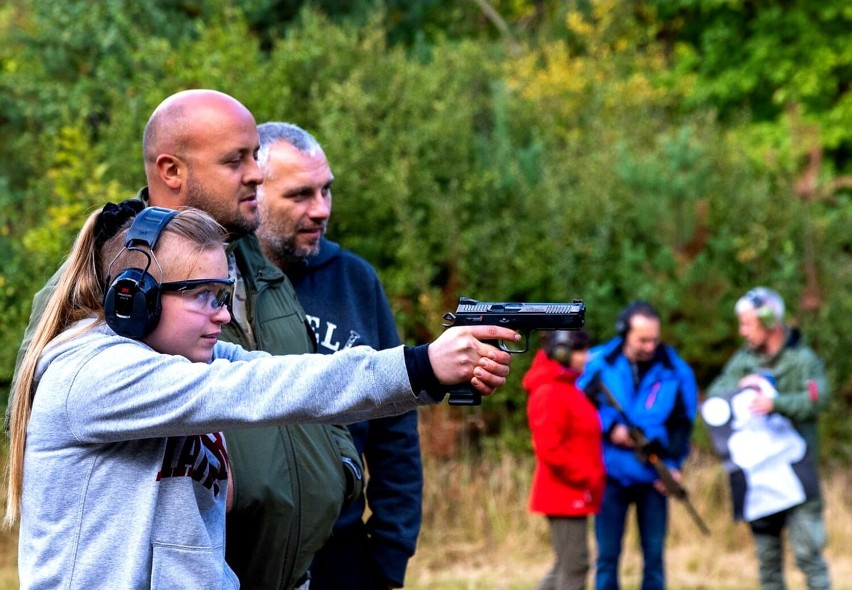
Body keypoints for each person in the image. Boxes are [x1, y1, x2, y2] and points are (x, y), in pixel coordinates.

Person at [4, 203, 516, 588]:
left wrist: (428, 376)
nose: (223, 316)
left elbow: (299, 378)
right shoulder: (93, 375)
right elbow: (256, 390)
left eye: (225, 297)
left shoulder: (182, 362)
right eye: (206, 296)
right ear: (135, 297)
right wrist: (423, 364)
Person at [254, 122, 422, 590]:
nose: (321, 210)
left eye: (326, 191)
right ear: (254, 191)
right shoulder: (218, 283)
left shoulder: (355, 280)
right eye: (300, 195)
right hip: (247, 552)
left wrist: (390, 552)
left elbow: (396, 429)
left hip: (344, 554)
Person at [706, 287, 831, 590]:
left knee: (808, 556)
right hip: (760, 480)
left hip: (796, 478)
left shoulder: (803, 360)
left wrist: (776, 403)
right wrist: (740, 386)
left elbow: (818, 399)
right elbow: (715, 398)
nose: (742, 331)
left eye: (747, 324)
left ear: (769, 321)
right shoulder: (743, 361)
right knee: (768, 562)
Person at [576, 301, 697, 590]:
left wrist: (674, 467)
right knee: (606, 556)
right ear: (624, 333)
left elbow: (683, 423)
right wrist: (610, 428)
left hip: (653, 477)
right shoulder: (598, 362)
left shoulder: (675, 370)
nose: (650, 345)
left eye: (654, 338)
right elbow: (577, 407)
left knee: (654, 556)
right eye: (642, 339)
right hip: (610, 476)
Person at [522, 329, 604, 590]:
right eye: (581, 351)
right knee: (575, 565)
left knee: (565, 565)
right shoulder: (549, 391)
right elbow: (550, 450)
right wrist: (584, 476)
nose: (587, 357)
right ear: (562, 352)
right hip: (564, 494)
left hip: (573, 492)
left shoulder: (567, 387)